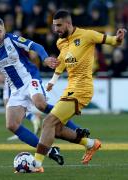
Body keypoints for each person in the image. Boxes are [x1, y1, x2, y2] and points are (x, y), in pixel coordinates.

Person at [0, 17, 89, 165]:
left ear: (4, 31)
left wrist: (45, 58)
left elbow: (36, 46)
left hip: (30, 79)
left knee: (40, 104)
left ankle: (77, 129)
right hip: (15, 89)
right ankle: (50, 151)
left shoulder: (13, 39)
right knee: (11, 125)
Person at [34, 10, 127, 173]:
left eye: (59, 25)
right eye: (54, 26)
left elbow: (111, 41)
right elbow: (61, 63)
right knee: (56, 129)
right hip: (70, 88)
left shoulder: (87, 35)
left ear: (68, 24)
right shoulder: (60, 43)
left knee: (48, 122)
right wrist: (52, 82)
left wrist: (118, 39)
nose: (56, 29)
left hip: (82, 88)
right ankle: (91, 144)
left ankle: (35, 164)